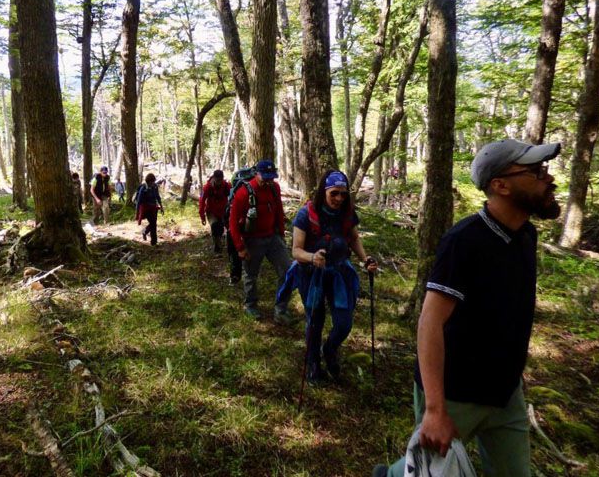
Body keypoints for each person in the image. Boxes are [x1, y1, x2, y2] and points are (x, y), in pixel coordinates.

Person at [374, 139, 562, 477]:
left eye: (544, 170)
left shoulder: (525, 235)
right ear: (500, 185)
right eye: (536, 172)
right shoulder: (464, 241)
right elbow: (430, 322)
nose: (548, 178)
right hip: (455, 391)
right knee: (431, 468)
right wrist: (434, 410)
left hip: (506, 394)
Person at [278, 170, 378, 386]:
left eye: (343, 194)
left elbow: (353, 238)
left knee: (344, 323)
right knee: (315, 321)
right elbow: (296, 251)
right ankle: (314, 363)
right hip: (311, 275)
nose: (339, 199)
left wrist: (365, 259)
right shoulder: (307, 214)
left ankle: (330, 350)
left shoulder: (347, 213)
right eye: (334, 194)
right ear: (324, 191)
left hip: (339, 273)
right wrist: (312, 257)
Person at [228, 159, 296, 324]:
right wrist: (240, 248)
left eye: (271, 177)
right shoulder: (243, 193)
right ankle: (250, 305)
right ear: (256, 173)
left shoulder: (274, 188)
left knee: (287, 272)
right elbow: (232, 223)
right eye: (265, 176)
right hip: (252, 240)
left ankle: (281, 310)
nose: (268, 180)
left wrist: (281, 234)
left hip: (273, 237)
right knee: (251, 275)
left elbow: (279, 210)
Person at [199, 169, 230, 254]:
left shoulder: (226, 186)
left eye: (221, 180)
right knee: (214, 226)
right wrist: (202, 216)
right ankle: (217, 249)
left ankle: (221, 242)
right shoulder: (207, 187)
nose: (219, 182)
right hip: (211, 211)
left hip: (223, 211)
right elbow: (202, 201)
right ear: (214, 178)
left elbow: (232, 197)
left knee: (221, 229)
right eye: (217, 180)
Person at [135, 173, 163, 246]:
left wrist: (161, 206)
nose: (153, 183)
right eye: (151, 182)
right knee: (153, 224)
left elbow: (158, 197)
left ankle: (145, 232)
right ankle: (154, 242)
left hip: (154, 208)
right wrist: (137, 213)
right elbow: (139, 201)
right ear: (148, 181)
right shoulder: (143, 188)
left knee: (154, 224)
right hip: (146, 208)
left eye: (153, 181)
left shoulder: (155, 187)